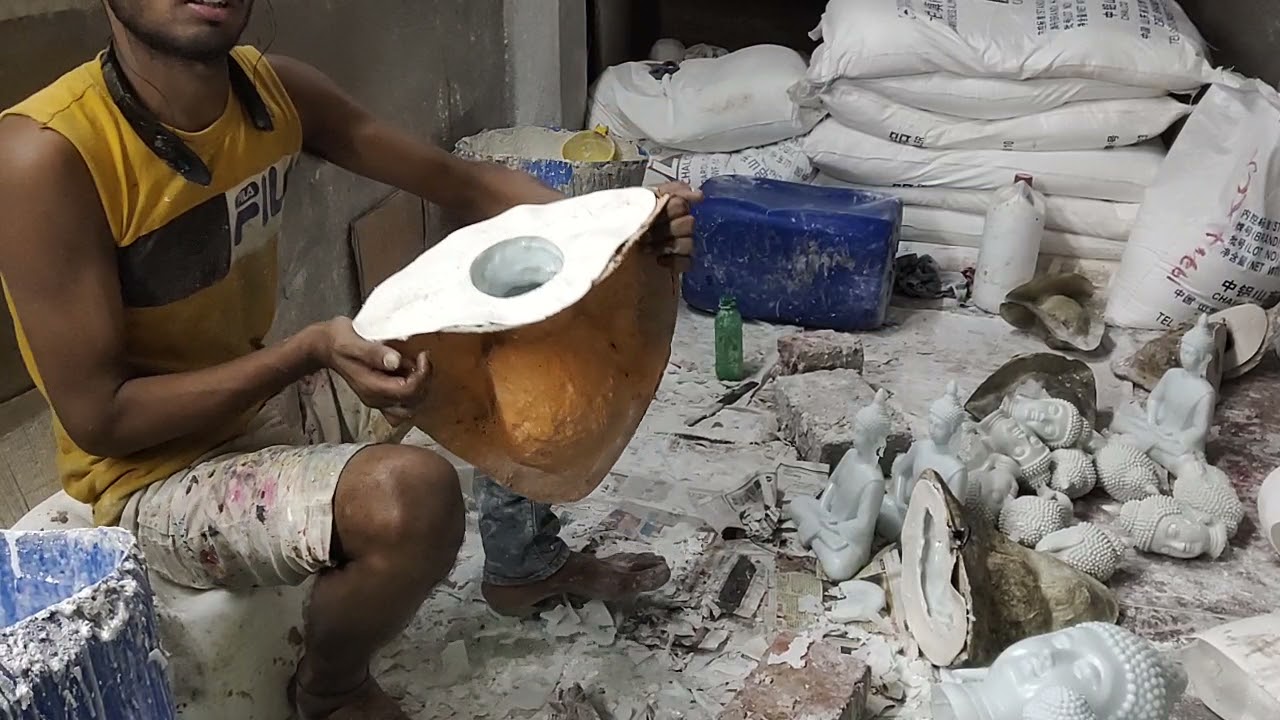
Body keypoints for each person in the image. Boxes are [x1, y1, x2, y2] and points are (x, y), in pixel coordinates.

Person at [0, 1, 701, 718]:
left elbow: (461, 183)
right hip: (153, 478)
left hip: (263, 403)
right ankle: (331, 689)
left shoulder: (269, 90)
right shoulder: (47, 154)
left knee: (517, 315)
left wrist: (619, 233)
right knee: (413, 500)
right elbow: (102, 419)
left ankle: (524, 561)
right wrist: (305, 353)